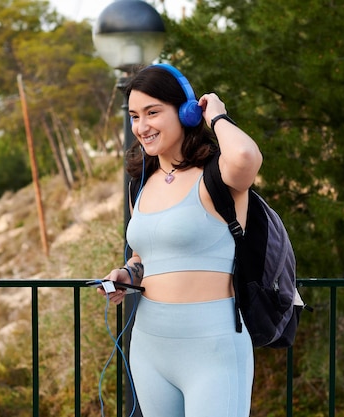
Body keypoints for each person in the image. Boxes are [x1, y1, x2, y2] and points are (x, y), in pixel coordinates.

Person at [99, 63, 262, 417]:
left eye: (153, 112)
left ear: (186, 112)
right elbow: (143, 257)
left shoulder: (219, 175)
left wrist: (216, 115)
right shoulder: (139, 184)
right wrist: (127, 275)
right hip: (150, 347)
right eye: (134, 116)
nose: (142, 126)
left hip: (214, 348)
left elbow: (247, 156)